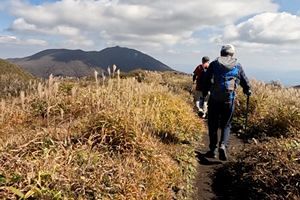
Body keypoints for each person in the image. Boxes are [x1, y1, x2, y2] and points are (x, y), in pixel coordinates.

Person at [203, 44, 251, 161]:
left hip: (214, 99)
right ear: (232, 53)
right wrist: (247, 90)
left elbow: (207, 80)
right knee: (226, 124)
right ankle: (223, 145)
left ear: (221, 53)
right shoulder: (237, 65)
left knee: (213, 125)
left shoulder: (214, 64)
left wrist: (205, 93)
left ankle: (213, 150)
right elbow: (245, 82)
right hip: (229, 100)